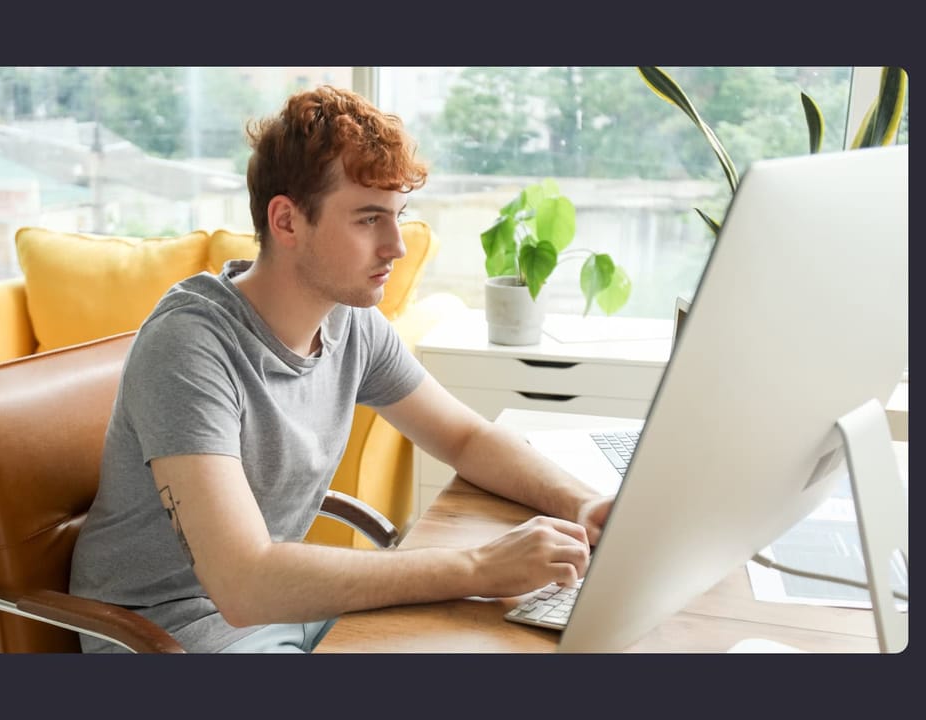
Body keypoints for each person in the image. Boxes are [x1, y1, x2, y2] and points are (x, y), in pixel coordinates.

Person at [69, 85, 614, 653]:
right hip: (167, 632)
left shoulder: (348, 322)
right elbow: (243, 583)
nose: (396, 246)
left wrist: (584, 504)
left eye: (398, 216)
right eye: (368, 219)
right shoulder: (189, 345)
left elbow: (467, 438)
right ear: (286, 221)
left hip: (285, 607)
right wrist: (477, 565)